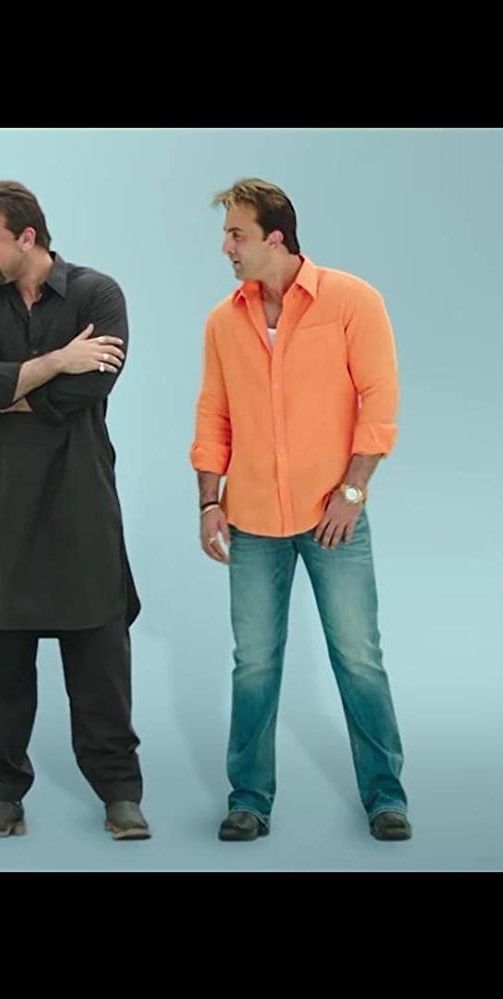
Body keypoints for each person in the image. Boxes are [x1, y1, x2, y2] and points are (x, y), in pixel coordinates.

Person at [191, 177, 410, 843]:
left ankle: (386, 797)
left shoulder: (351, 301)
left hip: (332, 517)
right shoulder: (222, 321)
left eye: (236, 234)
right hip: (252, 520)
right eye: (226, 234)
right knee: (254, 662)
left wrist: (352, 493)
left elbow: (379, 400)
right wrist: (208, 501)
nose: (226, 247)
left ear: (275, 238)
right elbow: (213, 414)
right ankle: (248, 800)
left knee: (358, 657)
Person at [0, 179, 149, 841]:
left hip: (79, 497)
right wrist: (59, 359)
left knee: (99, 659)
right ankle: (2, 793)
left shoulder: (97, 294)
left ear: (26, 236)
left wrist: (8, 394)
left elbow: (90, 387)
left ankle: (119, 793)